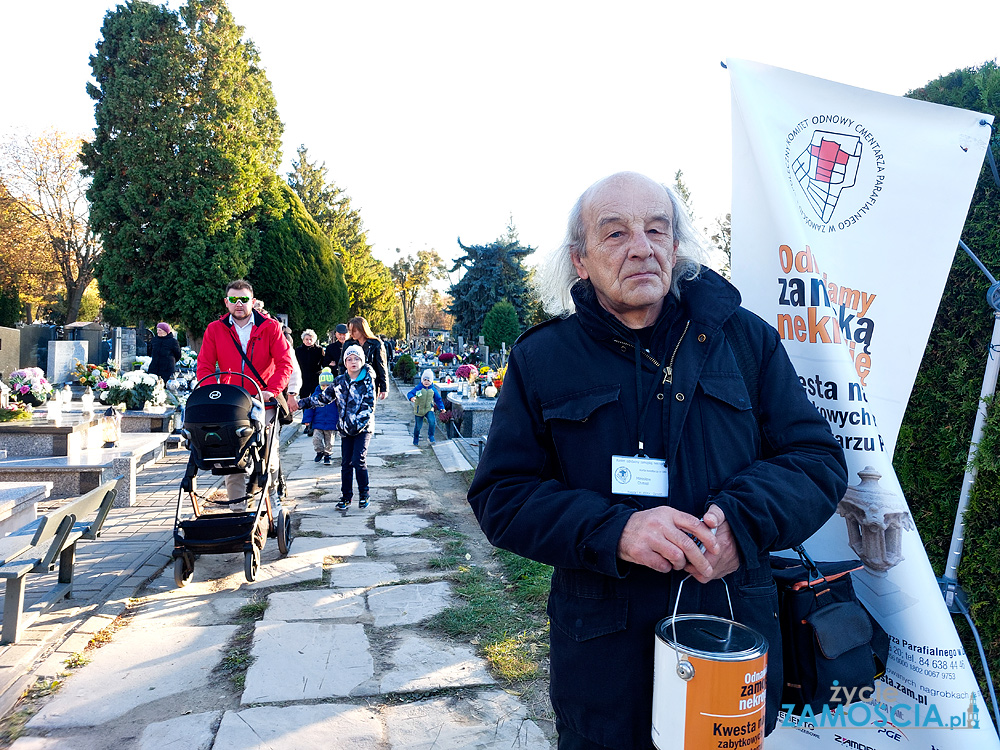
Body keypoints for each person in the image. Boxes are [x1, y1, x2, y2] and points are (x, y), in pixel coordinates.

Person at [467, 172, 848, 750]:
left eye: (656, 229)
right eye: (615, 233)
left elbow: (817, 461)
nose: (641, 247)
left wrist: (739, 528)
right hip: (604, 666)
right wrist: (615, 530)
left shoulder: (744, 341)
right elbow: (502, 496)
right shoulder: (543, 359)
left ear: (675, 245)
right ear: (580, 259)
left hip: (729, 643)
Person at [197, 280, 293, 510]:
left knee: (268, 455)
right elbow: (205, 366)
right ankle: (238, 509)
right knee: (232, 456)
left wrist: (272, 390)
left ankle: (273, 501)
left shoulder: (269, 327)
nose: (238, 304)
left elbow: (284, 362)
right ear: (226, 302)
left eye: (243, 299)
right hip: (232, 402)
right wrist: (214, 392)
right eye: (233, 299)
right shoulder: (215, 329)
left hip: (263, 400)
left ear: (253, 301)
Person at [292, 344, 376, 511]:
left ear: (362, 361)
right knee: (346, 463)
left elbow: (368, 406)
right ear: (345, 363)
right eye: (349, 359)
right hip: (345, 429)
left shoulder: (367, 381)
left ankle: (364, 493)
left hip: (362, 428)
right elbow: (322, 398)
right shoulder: (339, 382)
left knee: (358, 460)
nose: (353, 362)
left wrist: (356, 425)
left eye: (357, 359)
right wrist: (300, 404)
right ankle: (346, 496)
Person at [346, 316, 388, 400]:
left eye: (354, 331)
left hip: (370, 382)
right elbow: (342, 364)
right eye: (350, 331)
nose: (351, 333)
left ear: (362, 329)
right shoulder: (348, 344)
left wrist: (384, 388)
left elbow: (381, 365)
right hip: (352, 382)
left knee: (367, 410)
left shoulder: (376, 344)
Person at [407, 369, 446, 446]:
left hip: (429, 409)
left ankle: (431, 436)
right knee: (418, 426)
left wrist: (441, 407)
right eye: (424, 380)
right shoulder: (419, 387)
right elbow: (410, 393)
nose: (426, 382)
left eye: (428, 380)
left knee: (432, 421)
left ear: (431, 381)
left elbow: (438, 399)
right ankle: (416, 438)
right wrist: (411, 397)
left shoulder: (433, 389)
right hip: (419, 409)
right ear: (422, 380)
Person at [310, 367, 339, 465]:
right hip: (318, 422)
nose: (325, 387)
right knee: (316, 439)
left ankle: (327, 455)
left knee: (329, 441)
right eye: (323, 385)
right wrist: (307, 420)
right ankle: (319, 451)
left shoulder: (336, 396)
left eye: (328, 385)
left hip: (331, 423)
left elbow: (341, 409)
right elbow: (310, 407)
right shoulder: (315, 396)